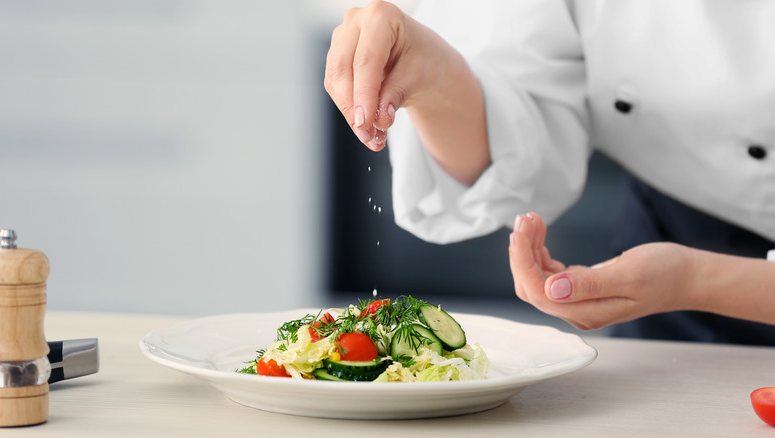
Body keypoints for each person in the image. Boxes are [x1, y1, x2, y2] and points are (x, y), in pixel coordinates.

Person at [324, 0, 775, 344]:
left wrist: (692, 279)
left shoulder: (681, 276)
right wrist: (439, 79)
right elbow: (513, 136)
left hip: (680, 277)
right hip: (678, 243)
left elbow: (685, 278)